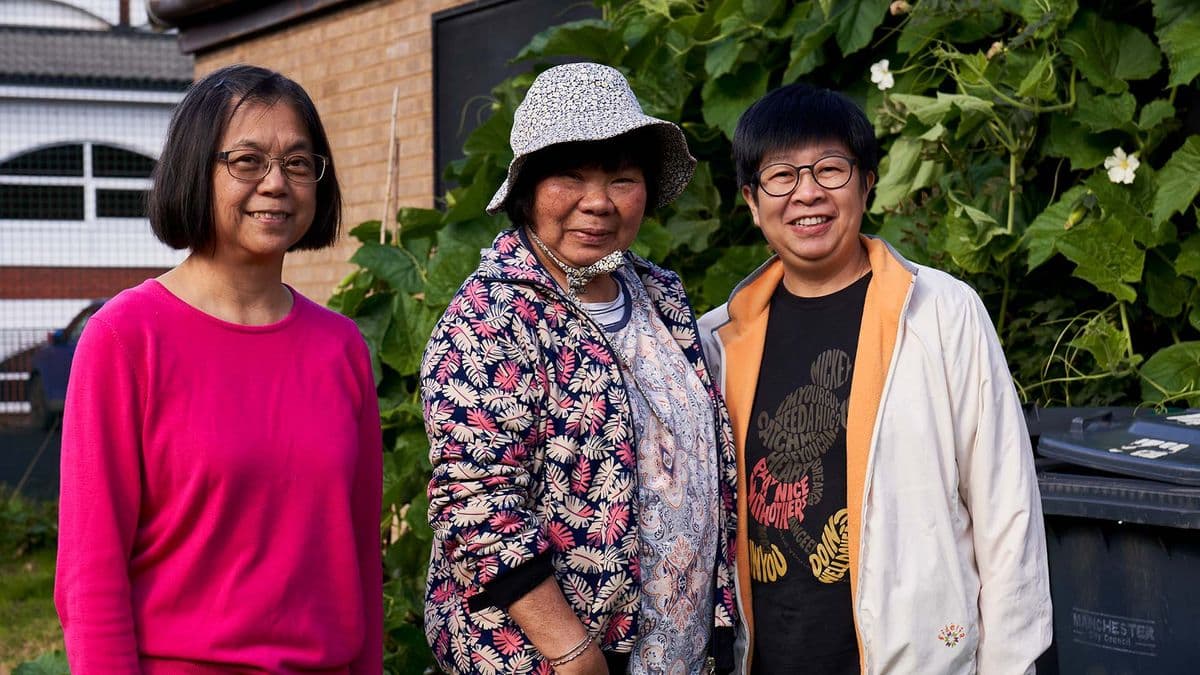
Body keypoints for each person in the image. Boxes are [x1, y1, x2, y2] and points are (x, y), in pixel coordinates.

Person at [698, 83, 1052, 674]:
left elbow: (1006, 504)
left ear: (866, 183)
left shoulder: (941, 311)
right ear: (753, 203)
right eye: (781, 176)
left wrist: (1011, 663)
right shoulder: (718, 340)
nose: (807, 192)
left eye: (830, 169)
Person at [54, 64, 382, 673]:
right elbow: (89, 574)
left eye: (299, 162)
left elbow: (359, 557)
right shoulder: (126, 339)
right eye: (247, 160)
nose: (277, 183)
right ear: (194, 170)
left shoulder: (342, 348)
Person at [421, 62, 739, 675]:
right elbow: (476, 503)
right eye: (571, 176)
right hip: (553, 661)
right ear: (528, 191)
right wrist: (571, 652)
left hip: (675, 651)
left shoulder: (660, 294)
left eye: (622, 178)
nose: (598, 203)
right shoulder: (492, 315)